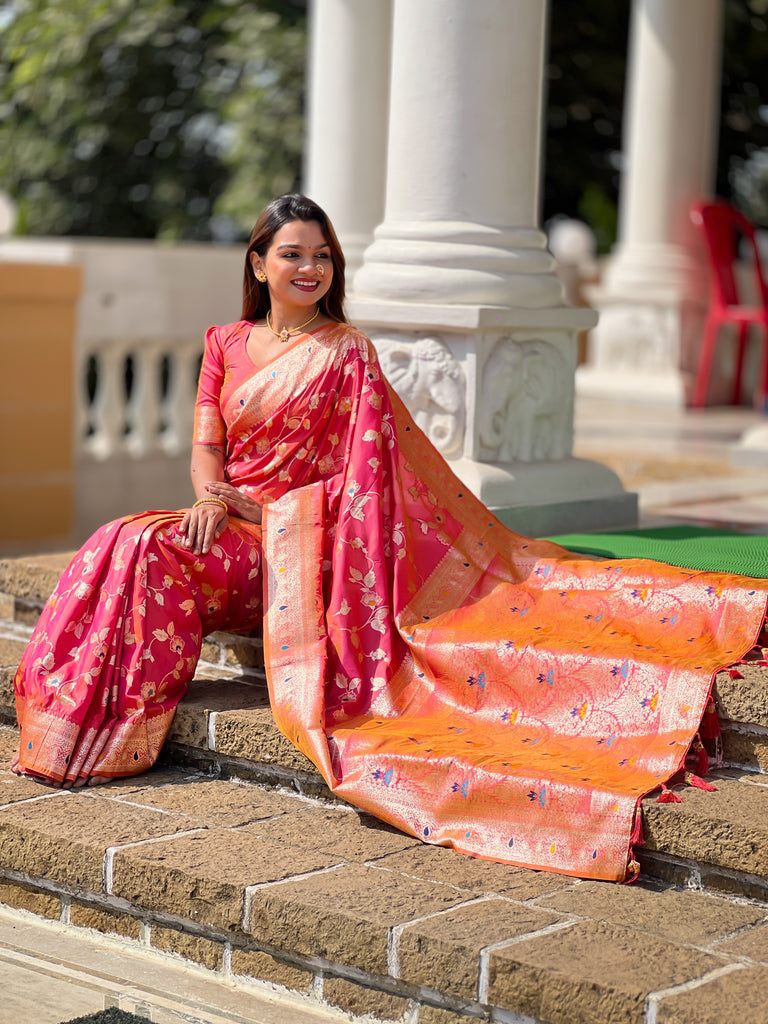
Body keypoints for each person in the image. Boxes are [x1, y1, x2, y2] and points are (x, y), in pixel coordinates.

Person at [12, 195, 768, 882]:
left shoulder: (348, 353)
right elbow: (207, 445)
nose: (310, 268)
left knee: (146, 547)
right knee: (120, 537)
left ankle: (107, 731)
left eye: (322, 255)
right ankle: (78, 723)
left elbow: (365, 485)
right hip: (227, 521)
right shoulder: (224, 342)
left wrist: (269, 512)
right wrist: (213, 497)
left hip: (293, 547)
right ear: (259, 264)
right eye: (292, 254)